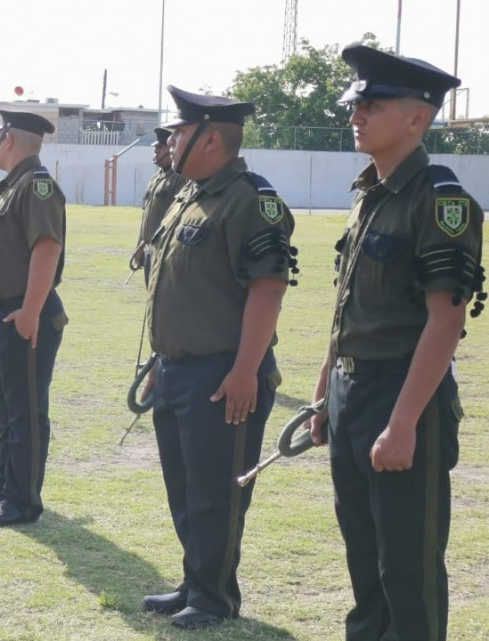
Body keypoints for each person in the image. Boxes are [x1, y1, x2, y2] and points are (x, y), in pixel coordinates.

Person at [305, 45, 483, 641]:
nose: (356, 114)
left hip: (403, 395)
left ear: (418, 117)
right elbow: (349, 303)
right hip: (351, 391)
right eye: (356, 103)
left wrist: (403, 422)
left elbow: (445, 321)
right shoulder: (369, 192)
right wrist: (325, 389)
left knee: (407, 566)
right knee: (363, 557)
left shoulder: (441, 197)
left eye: (372, 105)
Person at [141, 85, 297, 629]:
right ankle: (196, 580)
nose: (172, 140)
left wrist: (245, 370)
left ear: (210, 138)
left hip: (223, 371)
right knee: (184, 486)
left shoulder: (250, 198)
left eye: (180, 132)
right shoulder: (192, 193)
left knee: (216, 493)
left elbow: (268, 289)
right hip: (177, 369)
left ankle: (214, 597)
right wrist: (159, 364)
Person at [0, 109, 67, 526]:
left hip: (22, 315)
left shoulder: (35, 187)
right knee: (7, 411)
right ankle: (6, 489)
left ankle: (22, 501)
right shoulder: (12, 187)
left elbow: (47, 248)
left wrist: (30, 311)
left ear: (8, 140)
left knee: (25, 412)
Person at [131, 127, 188, 284]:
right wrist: (140, 247)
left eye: (161, 146)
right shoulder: (157, 178)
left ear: (173, 149)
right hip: (150, 251)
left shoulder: (181, 179)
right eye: (155, 146)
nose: (155, 149)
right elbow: (147, 216)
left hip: (166, 253)